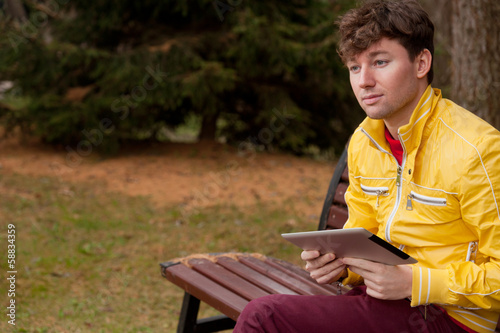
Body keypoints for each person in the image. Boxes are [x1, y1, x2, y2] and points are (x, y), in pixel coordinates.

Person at [233, 0, 500, 332]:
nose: (364, 81)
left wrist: (414, 283)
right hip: (382, 301)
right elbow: (364, 236)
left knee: (265, 316)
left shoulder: (478, 149)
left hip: (449, 317)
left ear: (421, 63)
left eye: (380, 62)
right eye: (354, 67)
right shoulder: (365, 140)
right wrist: (341, 264)